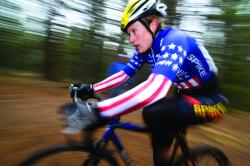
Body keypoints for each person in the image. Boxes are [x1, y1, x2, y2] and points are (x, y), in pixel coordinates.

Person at [65, 0, 229, 165]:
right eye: (129, 34)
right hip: (184, 95)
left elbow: (155, 89)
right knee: (156, 116)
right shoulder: (145, 49)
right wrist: (91, 87)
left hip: (212, 100)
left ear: (153, 24)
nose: (131, 39)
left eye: (134, 31)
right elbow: (123, 75)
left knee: (155, 112)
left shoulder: (175, 40)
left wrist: (100, 111)